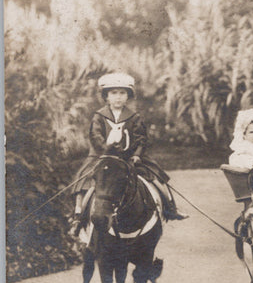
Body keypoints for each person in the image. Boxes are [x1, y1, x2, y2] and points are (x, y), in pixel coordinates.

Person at [71, 72, 186, 226]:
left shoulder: (133, 117)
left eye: (122, 93)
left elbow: (141, 139)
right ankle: (78, 215)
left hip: (129, 156)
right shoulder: (99, 116)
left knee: (156, 176)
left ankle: (170, 207)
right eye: (113, 93)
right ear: (106, 96)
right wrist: (107, 150)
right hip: (101, 156)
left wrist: (137, 154)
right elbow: (95, 136)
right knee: (85, 179)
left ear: (128, 96)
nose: (118, 97)